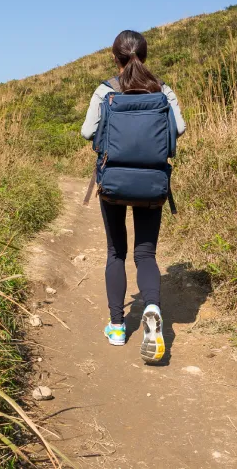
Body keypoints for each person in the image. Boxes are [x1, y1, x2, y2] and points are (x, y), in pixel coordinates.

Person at [80, 30, 186, 361]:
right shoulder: (163, 90)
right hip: (152, 183)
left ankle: (116, 327)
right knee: (145, 254)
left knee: (116, 252)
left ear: (116, 57)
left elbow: (87, 132)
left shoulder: (105, 90)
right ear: (145, 54)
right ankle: (152, 307)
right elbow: (178, 128)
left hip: (113, 182)